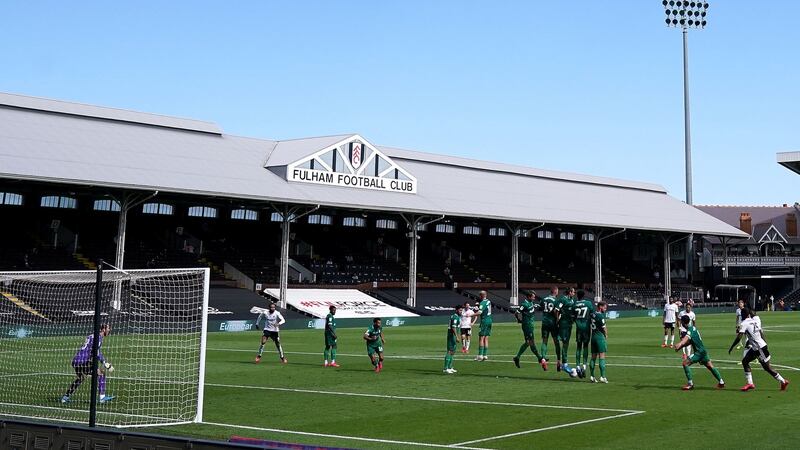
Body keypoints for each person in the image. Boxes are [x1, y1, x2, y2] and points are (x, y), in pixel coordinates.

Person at [728, 308, 789, 391]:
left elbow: (739, 337)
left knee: (767, 368)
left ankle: (783, 381)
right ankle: (750, 383)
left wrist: (732, 347)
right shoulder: (754, 321)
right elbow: (760, 332)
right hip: (757, 348)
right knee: (745, 361)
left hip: (759, 348)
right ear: (749, 314)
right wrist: (764, 342)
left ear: (742, 315)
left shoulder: (744, 323)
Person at [61, 324, 114, 404]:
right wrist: (104, 362)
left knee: (80, 378)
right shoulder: (98, 338)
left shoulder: (92, 336)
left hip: (76, 360)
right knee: (101, 374)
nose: (109, 330)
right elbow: (96, 352)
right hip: (83, 361)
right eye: (108, 329)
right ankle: (102, 398)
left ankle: (65, 398)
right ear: (103, 329)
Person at [674, 315, 725, 390]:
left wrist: (680, 344)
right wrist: (680, 347)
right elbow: (689, 342)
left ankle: (690, 384)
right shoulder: (693, 328)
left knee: (685, 363)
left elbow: (686, 339)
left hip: (699, 352)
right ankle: (721, 382)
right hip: (703, 351)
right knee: (710, 366)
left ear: (683, 323)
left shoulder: (690, 330)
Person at [512, 292, 547, 371]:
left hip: (530, 325)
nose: (534, 298)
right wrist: (519, 320)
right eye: (533, 297)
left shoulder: (531, 303)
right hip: (527, 325)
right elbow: (516, 312)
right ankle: (539, 358)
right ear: (528, 297)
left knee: (529, 342)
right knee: (530, 342)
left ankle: (517, 357)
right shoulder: (524, 304)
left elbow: (535, 307)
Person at [573, 290, 594, 378]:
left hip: (579, 328)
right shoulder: (588, 303)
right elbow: (592, 314)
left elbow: (573, 317)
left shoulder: (574, 304)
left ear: (577, 296)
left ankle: (577, 366)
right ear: (584, 295)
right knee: (585, 346)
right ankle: (584, 367)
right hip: (586, 328)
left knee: (578, 347)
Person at [539, 287, 562, 371]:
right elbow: (556, 311)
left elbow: (541, 307)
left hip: (545, 322)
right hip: (552, 322)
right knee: (556, 342)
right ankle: (558, 361)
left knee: (544, 341)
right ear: (555, 291)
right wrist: (557, 320)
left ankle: (543, 359)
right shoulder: (556, 300)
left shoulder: (544, 299)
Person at [557, 287, 576, 373]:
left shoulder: (572, 300)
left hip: (569, 324)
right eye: (573, 292)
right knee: (564, 342)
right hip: (563, 324)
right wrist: (557, 320)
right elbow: (556, 310)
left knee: (566, 343)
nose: (574, 293)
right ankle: (563, 363)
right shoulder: (563, 299)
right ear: (570, 292)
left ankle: (563, 363)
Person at [589, 301, 608, 383]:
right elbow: (604, 328)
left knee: (593, 357)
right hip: (600, 337)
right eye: (604, 307)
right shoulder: (601, 316)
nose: (605, 309)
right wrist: (606, 335)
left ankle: (592, 376)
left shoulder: (592, 314)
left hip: (593, 337)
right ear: (600, 307)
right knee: (602, 356)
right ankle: (602, 376)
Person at [444, 305, 462, 374]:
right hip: (452, 336)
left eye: (461, 310)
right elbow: (453, 327)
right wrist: (457, 336)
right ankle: (446, 368)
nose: (461, 311)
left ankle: (450, 367)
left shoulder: (457, 317)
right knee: (449, 351)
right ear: (456, 310)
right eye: (460, 310)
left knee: (453, 352)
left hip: (454, 336)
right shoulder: (455, 317)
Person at [475, 291, 492, 361]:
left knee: (481, 338)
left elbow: (479, 312)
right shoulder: (488, 301)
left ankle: (480, 355)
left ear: (481, 295)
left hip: (484, 321)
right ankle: (485, 355)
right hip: (489, 320)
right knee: (486, 338)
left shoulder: (482, 303)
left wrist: (470, 315)